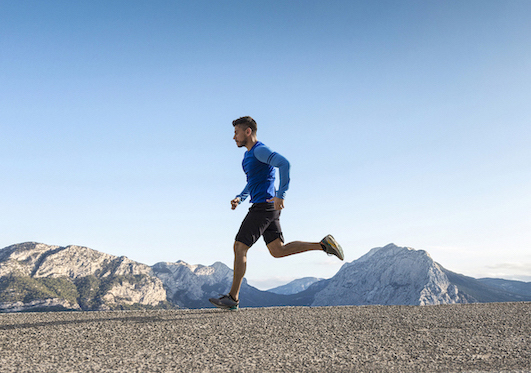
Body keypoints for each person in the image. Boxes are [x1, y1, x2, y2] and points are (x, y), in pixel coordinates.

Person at [209, 116, 344, 310]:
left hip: (264, 207)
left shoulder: (260, 150)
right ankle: (324, 245)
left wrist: (281, 194)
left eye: (236, 132)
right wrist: (240, 197)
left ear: (248, 131)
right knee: (277, 250)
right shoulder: (248, 155)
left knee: (240, 246)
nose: (234, 137)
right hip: (265, 207)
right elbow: (253, 181)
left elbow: (285, 164)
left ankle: (233, 298)